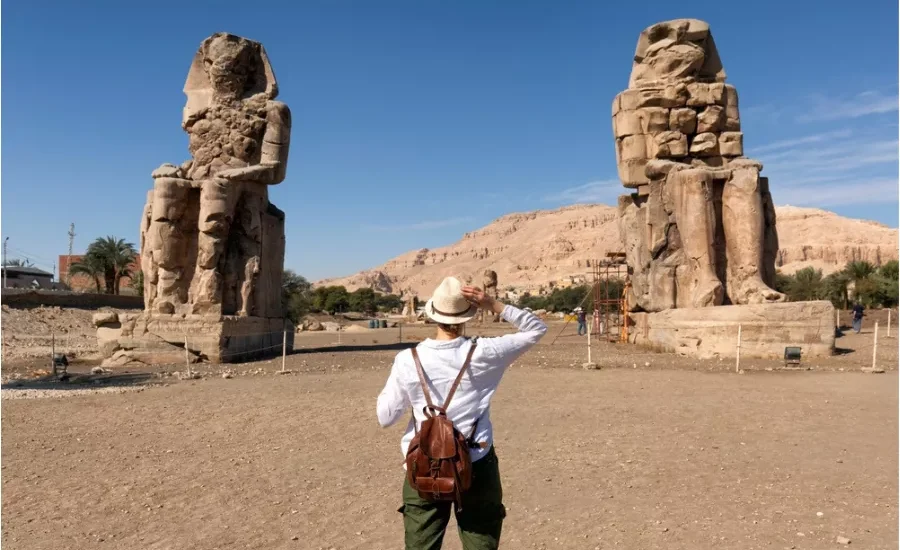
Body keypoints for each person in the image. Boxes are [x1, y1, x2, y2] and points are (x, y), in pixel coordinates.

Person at [376, 276, 547, 550]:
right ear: (466, 315)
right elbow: (536, 329)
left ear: (432, 313)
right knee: (480, 541)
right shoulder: (486, 351)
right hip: (475, 460)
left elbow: (385, 417)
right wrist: (494, 304)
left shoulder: (408, 359)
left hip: (423, 464)